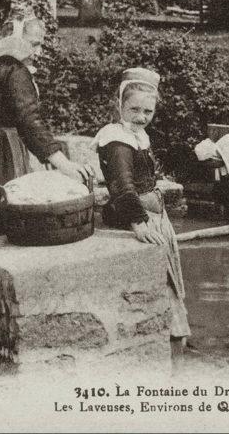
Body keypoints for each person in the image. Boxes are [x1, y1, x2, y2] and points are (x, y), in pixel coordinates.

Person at [0, 16, 93, 242]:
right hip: (1, 151)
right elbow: (28, 118)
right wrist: (63, 163)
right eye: (33, 43)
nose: (38, 51)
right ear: (16, 38)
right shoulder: (14, 69)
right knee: (7, 218)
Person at [92, 67, 191, 349]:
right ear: (119, 105)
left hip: (153, 213)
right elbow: (122, 185)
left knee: (169, 277)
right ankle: (170, 337)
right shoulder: (116, 139)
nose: (141, 117)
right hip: (137, 214)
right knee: (160, 278)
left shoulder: (137, 135)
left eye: (148, 112)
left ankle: (174, 333)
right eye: (134, 109)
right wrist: (139, 222)